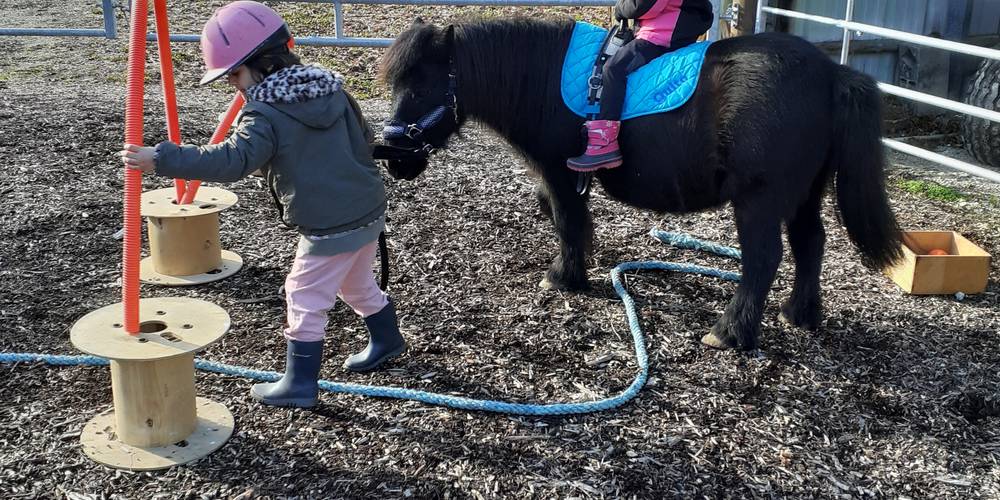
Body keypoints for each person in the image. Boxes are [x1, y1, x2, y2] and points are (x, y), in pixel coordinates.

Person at [121, 1, 405, 408]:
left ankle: (299, 384)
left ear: (262, 64)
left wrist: (162, 158)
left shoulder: (263, 113)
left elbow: (231, 160)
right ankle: (387, 339)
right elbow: (362, 138)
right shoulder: (333, 88)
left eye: (234, 73)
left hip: (328, 225)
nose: (234, 84)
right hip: (368, 209)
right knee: (354, 282)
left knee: (302, 294)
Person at [566, 0, 714, 172]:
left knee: (613, 69)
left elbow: (645, 5)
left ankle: (605, 142)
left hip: (662, 33)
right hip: (677, 25)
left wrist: (621, 8)